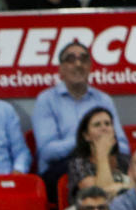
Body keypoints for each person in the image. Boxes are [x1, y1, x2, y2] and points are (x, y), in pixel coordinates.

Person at [33, 40, 128, 189]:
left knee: (135, 165)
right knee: (78, 167)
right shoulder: (46, 100)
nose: (78, 64)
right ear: (61, 69)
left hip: (102, 159)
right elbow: (47, 152)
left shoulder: (104, 99)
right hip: (62, 165)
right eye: (71, 59)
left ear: (90, 67)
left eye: (83, 59)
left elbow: (124, 146)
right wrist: (88, 140)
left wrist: (102, 149)